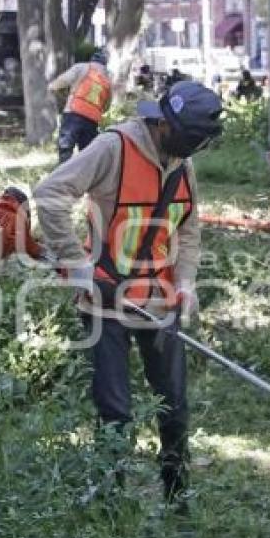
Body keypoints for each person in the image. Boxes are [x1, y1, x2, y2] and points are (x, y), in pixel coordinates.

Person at [32, 81, 223, 504]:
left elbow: (188, 228)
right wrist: (76, 264)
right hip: (104, 298)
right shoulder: (113, 148)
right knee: (115, 411)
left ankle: (177, 497)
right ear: (165, 125)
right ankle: (111, 505)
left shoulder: (181, 163)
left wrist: (187, 281)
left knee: (173, 405)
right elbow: (49, 194)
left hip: (158, 300)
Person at [48, 49, 112, 165]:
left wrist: (53, 86)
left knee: (66, 148)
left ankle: (64, 175)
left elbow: (63, 80)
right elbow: (106, 106)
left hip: (74, 112)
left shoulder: (82, 67)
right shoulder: (107, 80)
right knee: (87, 152)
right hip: (92, 120)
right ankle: (86, 177)